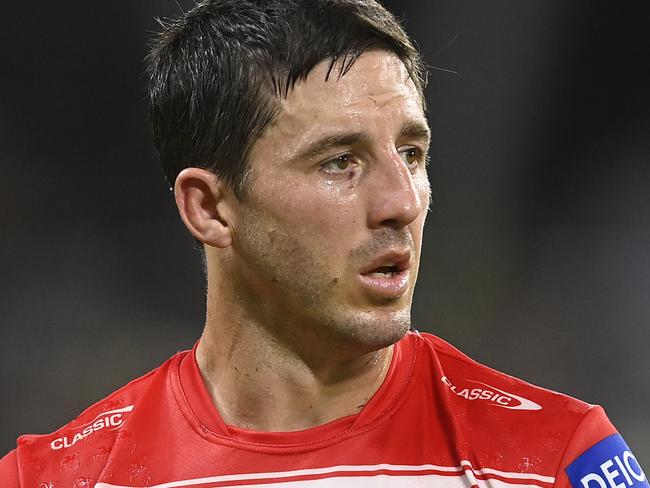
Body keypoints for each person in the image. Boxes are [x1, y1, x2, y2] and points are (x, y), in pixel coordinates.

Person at [1, 0, 646, 487]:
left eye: (412, 153)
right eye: (340, 161)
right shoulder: (56, 477)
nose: (403, 202)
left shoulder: (558, 459)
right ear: (210, 207)